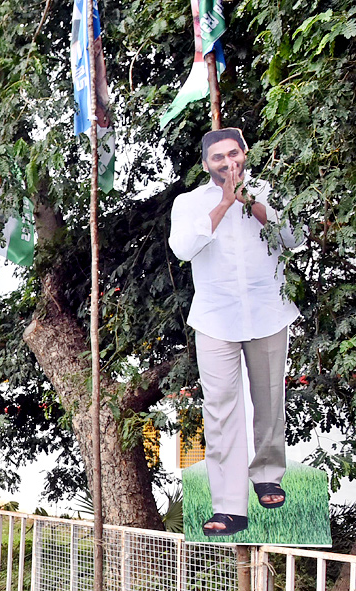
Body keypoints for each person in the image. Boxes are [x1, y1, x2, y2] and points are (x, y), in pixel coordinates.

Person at [168, 128, 303, 537]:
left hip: (267, 311)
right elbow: (183, 248)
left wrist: (252, 203)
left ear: (245, 153)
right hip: (215, 318)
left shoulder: (268, 190)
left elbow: (293, 238)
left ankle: (267, 475)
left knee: (269, 399)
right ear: (207, 163)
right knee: (222, 409)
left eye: (234, 154)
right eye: (218, 158)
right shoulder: (189, 202)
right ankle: (229, 506)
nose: (228, 164)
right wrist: (225, 203)